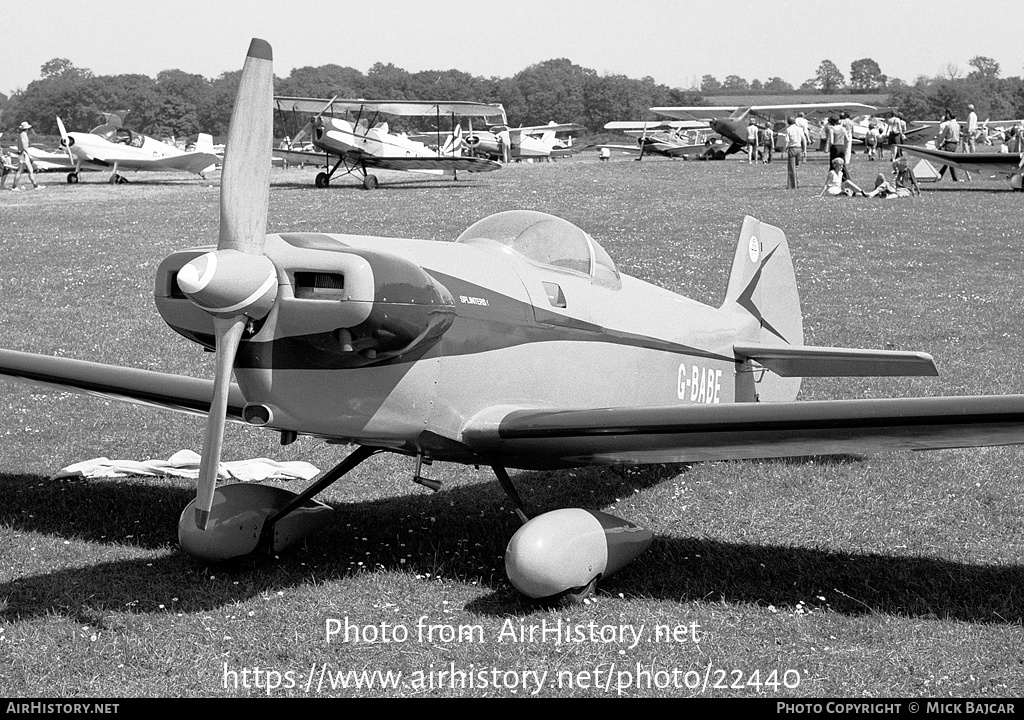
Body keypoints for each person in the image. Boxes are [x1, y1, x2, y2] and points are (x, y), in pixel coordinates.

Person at [11, 122, 44, 191]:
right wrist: (28, 154)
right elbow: (24, 145)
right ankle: (14, 187)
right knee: (22, 171)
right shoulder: (24, 135)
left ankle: (35, 185)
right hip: (24, 154)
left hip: (21, 154)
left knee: (29, 170)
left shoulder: (20, 134)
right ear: (27, 129)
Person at [935, 111, 962, 181]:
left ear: (950, 117)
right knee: (948, 161)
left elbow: (942, 136)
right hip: (955, 144)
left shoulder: (948, 126)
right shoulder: (958, 125)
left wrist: (938, 144)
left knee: (948, 162)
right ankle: (942, 176)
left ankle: (941, 176)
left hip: (949, 144)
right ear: (956, 117)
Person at [784, 116, 806, 189]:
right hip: (799, 148)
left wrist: (784, 151)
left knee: (791, 168)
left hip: (792, 148)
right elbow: (804, 140)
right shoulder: (800, 129)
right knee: (796, 167)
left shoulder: (788, 130)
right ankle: (797, 183)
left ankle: (792, 185)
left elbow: (787, 141)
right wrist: (804, 150)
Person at [826, 116, 850, 181]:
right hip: (842, 147)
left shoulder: (832, 129)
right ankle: (846, 179)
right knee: (843, 164)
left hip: (835, 147)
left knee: (833, 164)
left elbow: (831, 141)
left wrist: (829, 147)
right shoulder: (843, 128)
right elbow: (847, 139)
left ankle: (832, 179)